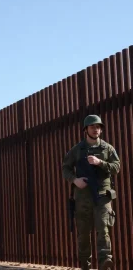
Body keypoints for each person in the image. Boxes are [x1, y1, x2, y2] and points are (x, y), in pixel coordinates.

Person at [62, 115, 120, 270]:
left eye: (98, 127)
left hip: (102, 196)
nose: (96, 130)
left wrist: (100, 162)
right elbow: (65, 168)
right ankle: (85, 265)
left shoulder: (107, 148)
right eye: (93, 127)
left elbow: (117, 167)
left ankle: (105, 262)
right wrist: (75, 180)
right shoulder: (77, 150)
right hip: (82, 197)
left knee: (103, 229)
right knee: (83, 234)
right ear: (86, 129)